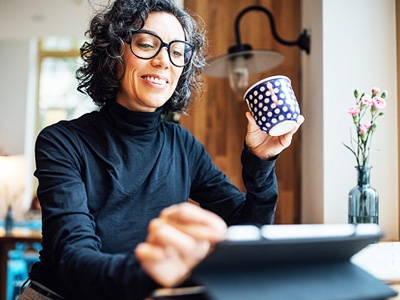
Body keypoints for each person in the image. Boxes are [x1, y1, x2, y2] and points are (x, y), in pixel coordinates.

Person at [19, 0, 304, 299]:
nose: (163, 61)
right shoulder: (62, 142)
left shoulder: (183, 145)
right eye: (146, 44)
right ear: (114, 53)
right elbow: (73, 260)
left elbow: (249, 229)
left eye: (177, 52)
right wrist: (151, 272)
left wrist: (261, 160)